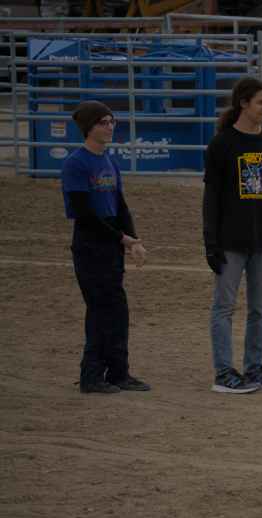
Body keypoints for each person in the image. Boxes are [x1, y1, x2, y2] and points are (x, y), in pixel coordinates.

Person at [203, 77, 262, 393]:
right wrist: (210, 242)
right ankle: (224, 372)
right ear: (243, 103)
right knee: (224, 307)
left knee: (259, 310)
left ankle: (254, 368)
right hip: (230, 241)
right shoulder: (222, 144)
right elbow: (211, 197)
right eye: (261, 102)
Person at [62, 100, 151, 394]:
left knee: (117, 311)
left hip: (110, 243)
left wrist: (133, 239)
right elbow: (83, 214)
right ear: (89, 127)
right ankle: (91, 376)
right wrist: (121, 239)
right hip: (90, 245)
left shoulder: (109, 162)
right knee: (101, 311)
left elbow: (120, 205)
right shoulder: (76, 163)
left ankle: (118, 372)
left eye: (112, 121)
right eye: (103, 122)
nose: (110, 127)